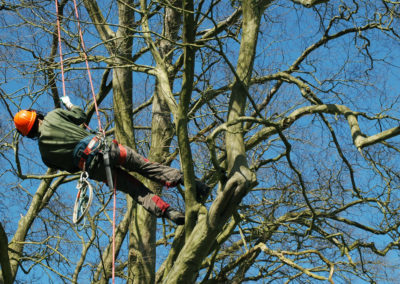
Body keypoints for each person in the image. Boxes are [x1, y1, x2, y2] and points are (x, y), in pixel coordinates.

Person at [13, 96, 209, 225]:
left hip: (96, 169)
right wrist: (70, 105)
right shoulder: (55, 115)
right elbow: (80, 115)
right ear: (36, 115)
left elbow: (72, 168)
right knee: (146, 167)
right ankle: (192, 182)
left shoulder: (45, 156)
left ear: (29, 134)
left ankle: (169, 212)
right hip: (107, 148)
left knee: (136, 191)